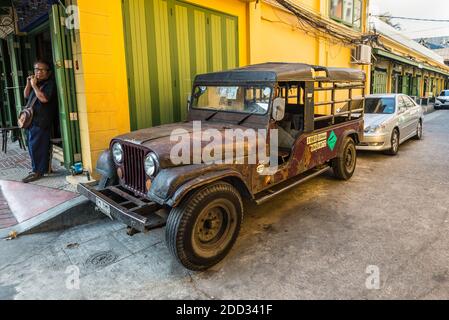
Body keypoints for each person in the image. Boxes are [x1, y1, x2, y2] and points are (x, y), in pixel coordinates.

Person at [22, 60, 57, 183]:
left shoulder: (49, 84)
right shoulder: (35, 83)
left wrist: (35, 86)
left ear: (48, 72)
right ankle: (38, 169)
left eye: (42, 70)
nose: (38, 72)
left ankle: (38, 171)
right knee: (32, 146)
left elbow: (44, 99)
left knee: (37, 147)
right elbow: (26, 95)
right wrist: (29, 83)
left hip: (42, 121)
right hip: (31, 120)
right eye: (36, 69)